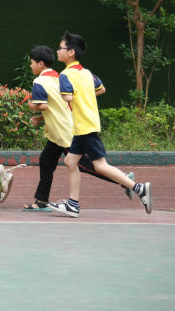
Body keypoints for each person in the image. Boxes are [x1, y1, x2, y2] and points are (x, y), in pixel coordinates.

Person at [49, 32, 152, 218]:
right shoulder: (87, 73)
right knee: (70, 161)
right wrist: (83, 96)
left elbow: (68, 97)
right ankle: (73, 204)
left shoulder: (65, 75)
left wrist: (64, 96)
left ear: (71, 52)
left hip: (84, 126)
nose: (57, 51)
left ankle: (138, 188)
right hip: (85, 125)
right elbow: (101, 89)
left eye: (60, 48)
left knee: (100, 166)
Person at [23, 45, 132, 212]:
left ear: (40, 64)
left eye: (31, 63)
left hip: (63, 132)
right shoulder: (59, 77)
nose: (30, 66)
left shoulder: (39, 81)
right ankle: (41, 200)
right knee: (46, 160)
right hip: (60, 130)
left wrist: (30, 105)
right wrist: (41, 118)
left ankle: (126, 181)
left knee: (85, 165)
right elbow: (58, 105)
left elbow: (43, 105)